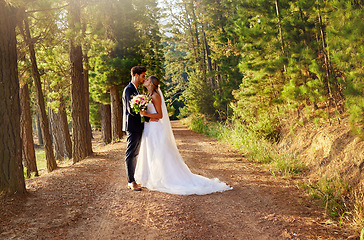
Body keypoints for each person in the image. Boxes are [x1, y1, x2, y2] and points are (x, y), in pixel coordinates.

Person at [135, 76, 232, 195]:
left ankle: (164, 177)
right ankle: (149, 177)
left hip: (155, 129)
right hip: (149, 127)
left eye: (147, 79)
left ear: (151, 83)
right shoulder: (148, 96)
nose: (144, 80)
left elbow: (160, 115)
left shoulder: (155, 96)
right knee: (150, 152)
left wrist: (145, 114)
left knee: (159, 152)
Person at [122, 66, 148, 191]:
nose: (144, 79)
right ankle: (130, 181)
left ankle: (133, 179)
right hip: (132, 126)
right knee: (131, 153)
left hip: (137, 126)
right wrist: (143, 113)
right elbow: (130, 110)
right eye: (143, 76)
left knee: (135, 153)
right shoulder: (129, 89)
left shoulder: (136, 90)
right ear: (136, 75)